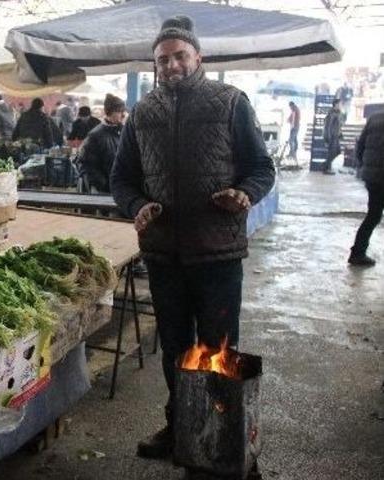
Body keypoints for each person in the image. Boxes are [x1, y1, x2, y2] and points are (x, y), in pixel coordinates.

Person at [110, 15, 275, 459]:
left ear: (198, 56)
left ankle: (222, 438)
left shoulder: (230, 102)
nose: (171, 65)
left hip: (218, 253)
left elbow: (262, 167)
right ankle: (180, 428)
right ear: (155, 65)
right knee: (176, 351)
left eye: (180, 56)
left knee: (219, 349)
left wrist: (244, 193)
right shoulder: (142, 113)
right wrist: (136, 206)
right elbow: (121, 179)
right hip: (164, 255)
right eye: (162, 60)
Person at [348, 111, 384, 267]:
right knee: (373, 215)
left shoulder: (375, 117)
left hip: (372, 177)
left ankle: (357, 253)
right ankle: (358, 253)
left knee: (373, 215)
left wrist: (364, 167)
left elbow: (360, 144)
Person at [77, 94, 126, 193]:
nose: (123, 115)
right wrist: (103, 185)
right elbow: (86, 165)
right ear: (110, 112)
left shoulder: (124, 132)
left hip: (122, 189)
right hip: (105, 191)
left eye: (123, 111)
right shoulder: (95, 136)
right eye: (120, 111)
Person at [323, 99, 343, 174]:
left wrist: (340, 133)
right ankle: (327, 168)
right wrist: (327, 138)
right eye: (340, 104)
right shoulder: (331, 113)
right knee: (332, 152)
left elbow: (338, 125)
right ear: (336, 104)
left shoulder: (338, 113)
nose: (341, 106)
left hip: (336, 136)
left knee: (338, 152)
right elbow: (327, 126)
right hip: (332, 136)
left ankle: (326, 165)